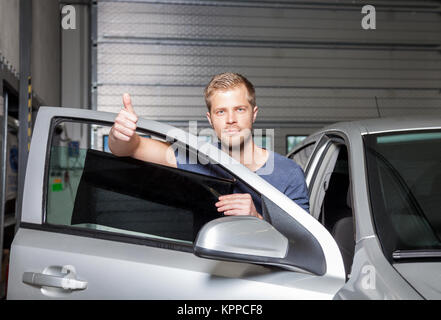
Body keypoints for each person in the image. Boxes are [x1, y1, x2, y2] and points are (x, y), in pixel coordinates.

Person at [108, 72, 309, 220]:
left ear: (253, 113)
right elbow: (129, 148)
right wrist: (120, 135)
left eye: (239, 109)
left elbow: (308, 244)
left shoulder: (289, 174)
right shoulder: (199, 159)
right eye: (221, 112)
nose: (231, 119)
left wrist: (257, 218)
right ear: (210, 119)